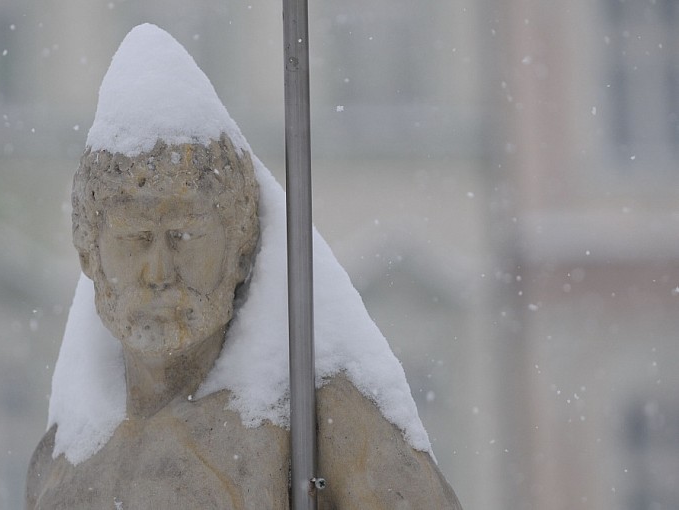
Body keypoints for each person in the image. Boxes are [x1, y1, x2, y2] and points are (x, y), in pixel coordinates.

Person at [27, 23, 461, 509]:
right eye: (134, 238)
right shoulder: (60, 460)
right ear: (90, 254)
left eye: (184, 235)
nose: (158, 272)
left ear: (238, 245)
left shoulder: (317, 420)